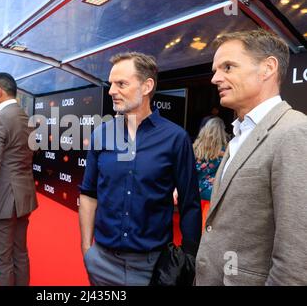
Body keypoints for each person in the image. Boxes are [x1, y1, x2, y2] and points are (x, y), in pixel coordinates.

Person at [79, 52, 202, 286]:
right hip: (102, 263)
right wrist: (87, 249)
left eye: (121, 83)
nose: (112, 90)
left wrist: (189, 258)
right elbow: (88, 193)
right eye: (111, 83)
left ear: (147, 86)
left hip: (154, 268)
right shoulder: (101, 134)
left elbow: (190, 203)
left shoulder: (175, 138)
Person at [196, 29, 307, 285]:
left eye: (228, 67)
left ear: (267, 68)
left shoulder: (294, 131)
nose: (215, 78)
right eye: (216, 69)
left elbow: (296, 259)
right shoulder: (239, 132)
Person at [0, 72, 38, 286]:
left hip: (2, 202)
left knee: (1, 263)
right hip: (23, 199)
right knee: (19, 254)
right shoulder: (25, 118)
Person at [192, 117, 228, 230]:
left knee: (193, 229)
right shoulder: (226, 152)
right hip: (212, 196)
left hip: (194, 195)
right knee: (206, 230)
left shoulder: (195, 149)